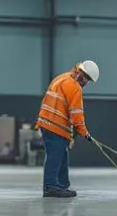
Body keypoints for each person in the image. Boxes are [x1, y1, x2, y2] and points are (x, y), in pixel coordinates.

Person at [36, 60, 99, 198]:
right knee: (55, 155)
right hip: (54, 126)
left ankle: (61, 185)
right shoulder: (74, 86)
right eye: (86, 79)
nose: (85, 83)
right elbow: (77, 115)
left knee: (62, 155)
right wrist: (85, 134)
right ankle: (50, 186)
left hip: (47, 123)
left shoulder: (62, 77)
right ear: (81, 74)